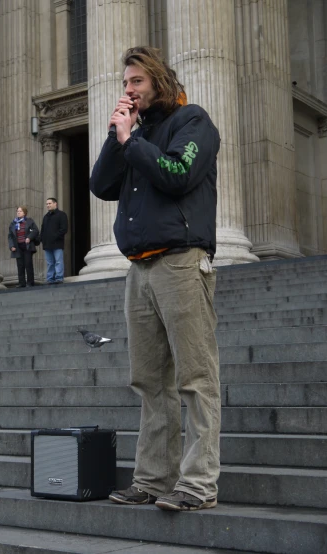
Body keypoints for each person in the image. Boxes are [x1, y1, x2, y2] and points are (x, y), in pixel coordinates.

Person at [90, 46, 221, 512]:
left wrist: (133, 143)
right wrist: (118, 135)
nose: (128, 90)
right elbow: (100, 185)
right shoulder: (134, 135)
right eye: (125, 84)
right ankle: (152, 478)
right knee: (149, 381)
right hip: (140, 268)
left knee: (195, 376)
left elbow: (179, 174)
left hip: (182, 262)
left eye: (137, 82)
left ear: (158, 82)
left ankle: (199, 483)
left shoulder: (193, 122)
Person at [7, 206, 39, 288]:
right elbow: (10, 236)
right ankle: (22, 283)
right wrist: (11, 246)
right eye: (17, 211)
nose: (18, 212)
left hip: (27, 246)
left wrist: (29, 237)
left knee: (28, 264)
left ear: (24, 213)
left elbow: (35, 230)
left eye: (20, 211)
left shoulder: (29, 221)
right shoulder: (13, 223)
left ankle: (30, 282)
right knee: (20, 265)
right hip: (18, 247)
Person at [40, 198, 68, 284]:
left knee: (58, 261)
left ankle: (59, 278)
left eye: (49, 203)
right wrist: (42, 240)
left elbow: (64, 229)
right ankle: (50, 279)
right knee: (50, 263)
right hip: (47, 244)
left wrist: (54, 237)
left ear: (55, 204)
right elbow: (43, 230)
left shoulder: (62, 215)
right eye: (47, 204)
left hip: (57, 243)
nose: (48, 205)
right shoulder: (45, 217)